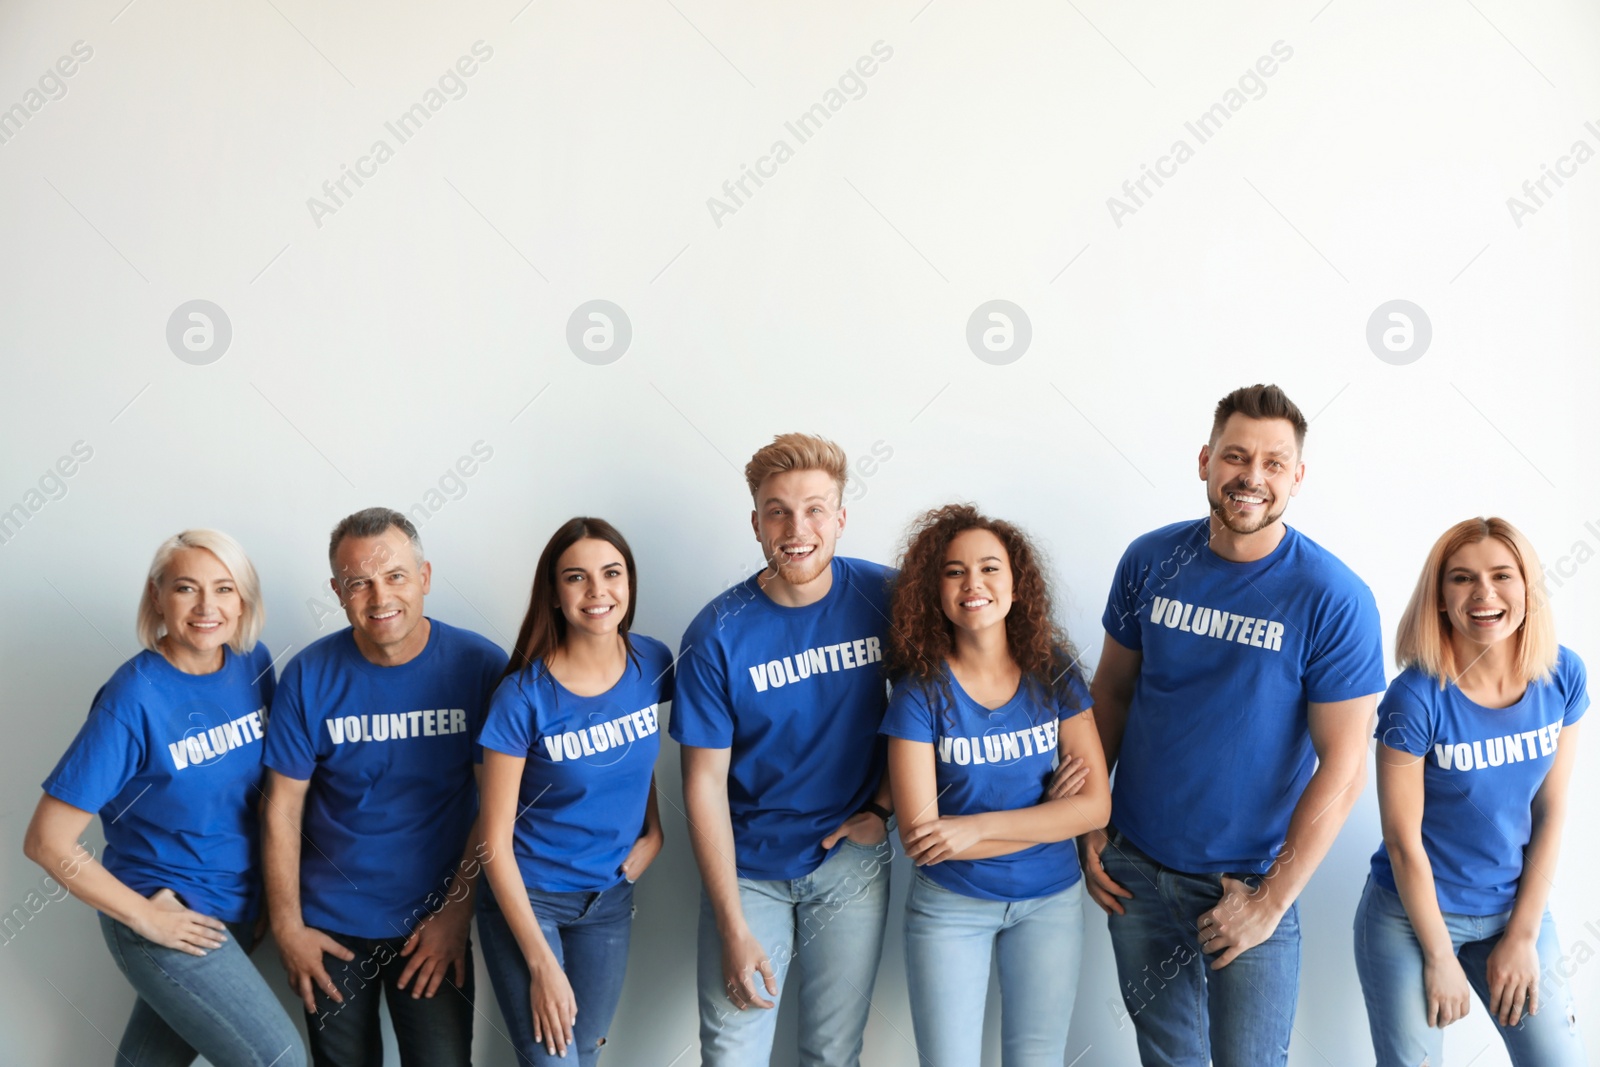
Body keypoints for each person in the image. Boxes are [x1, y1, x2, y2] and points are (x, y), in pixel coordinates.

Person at [1085, 384, 1386, 1066]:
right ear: (1205, 460)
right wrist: (1089, 817)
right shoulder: (1150, 561)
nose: (1253, 476)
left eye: (1275, 462)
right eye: (1237, 456)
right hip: (1134, 864)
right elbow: (1110, 695)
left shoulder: (1333, 597)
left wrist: (1272, 898)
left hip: (1249, 883)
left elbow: (1343, 766)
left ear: (1297, 477)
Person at [23, 529, 306, 1067]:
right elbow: (45, 840)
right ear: (157, 597)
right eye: (185, 588)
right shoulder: (132, 699)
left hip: (239, 908)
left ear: (243, 599)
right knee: (280, 1060)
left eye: (224, 588)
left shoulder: (253, 664)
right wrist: (144, 918)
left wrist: (272, 893)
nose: (207, 607)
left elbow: (269, 794)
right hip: (171, 918)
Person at [671, 432, 895, 1067]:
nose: (797, 528)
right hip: (749, 872)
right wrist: (730, 923)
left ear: (841, 518)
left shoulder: (885, 599)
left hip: (849, 864)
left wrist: (880, 809)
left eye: (815, 509)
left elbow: (959, 679)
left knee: (832, 1055)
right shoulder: (717, 633)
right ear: (756, 523)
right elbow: (703, 785)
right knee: (732, 1055)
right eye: (778, 511)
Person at [260, 508, 506, 1066]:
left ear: (424, 577)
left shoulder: (479, 667)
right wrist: (287, 927)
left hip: (433, 923)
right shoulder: (308, 676)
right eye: (359, 583)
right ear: (337, 592)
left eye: (394, 576)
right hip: (329, 928)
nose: (379, 597)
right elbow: (281, 811)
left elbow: (497, 809)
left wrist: (455, 914)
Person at [880, 504, 1110, 1066]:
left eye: (990, 568)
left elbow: (1096, 807)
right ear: (934, 590)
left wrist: (974, 829)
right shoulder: (919, 694)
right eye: (954, 571)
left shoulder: (1054, 671)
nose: (973, 583)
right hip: (950, 907)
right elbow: (922, 839)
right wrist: (1050, 818)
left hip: (1049, 902)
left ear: (1015, 584)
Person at [1354, 517, 1587, 1065]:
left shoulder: (1563, 676)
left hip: (1515, 909)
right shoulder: (1414, 698)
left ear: (1528, 586)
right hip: (1411, 918)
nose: (1484, 594)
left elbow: (1551, 812)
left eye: (1502, 575)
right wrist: (1438, 954)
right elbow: (1401, 839)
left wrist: (1525, 935)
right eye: (1461, 579)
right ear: (1439, 597)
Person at [477, 518, 672, 1065]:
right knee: (554, 1059)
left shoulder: (652, 664)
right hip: (529, 898)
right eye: (576, 578)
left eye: (611, 573)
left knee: (584, 1052)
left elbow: (629, 758)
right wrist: (540, 963)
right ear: (555, 594)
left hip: (608, 899)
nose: (597, 591)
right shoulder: (522, 698)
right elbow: (493, 838)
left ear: (629, 584)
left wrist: (655, 831)